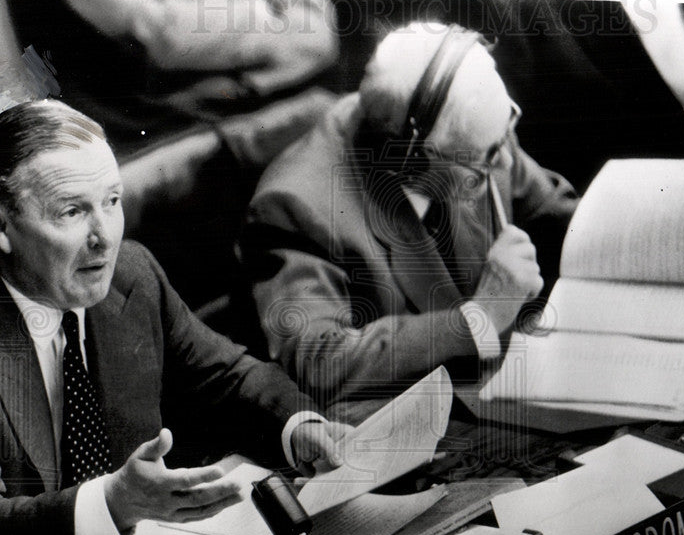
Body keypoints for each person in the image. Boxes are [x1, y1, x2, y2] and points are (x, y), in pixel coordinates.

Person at [0, 99, 346, 535]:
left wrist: (300, 428)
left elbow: (227, 377)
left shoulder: (133, 275)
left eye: (112, 201)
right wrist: (111, 504)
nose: (104, 237)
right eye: (72, 212)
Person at [244, 22, 579, 403]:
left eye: (509, 127)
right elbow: (319, 362)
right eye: (489, 154)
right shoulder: (297, 206)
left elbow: (560, 218)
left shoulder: (483, 128)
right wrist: (478, 320)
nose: (504, 158)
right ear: (415, 161)